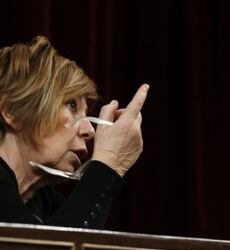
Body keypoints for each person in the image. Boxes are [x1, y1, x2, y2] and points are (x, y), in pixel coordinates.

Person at [0, 36, 148, 229]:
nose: (90, 131)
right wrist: (109, 163)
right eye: (71, 105)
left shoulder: (44, 202)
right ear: (12, 111)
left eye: (86, 113)